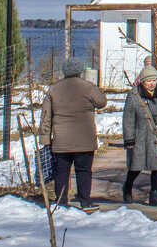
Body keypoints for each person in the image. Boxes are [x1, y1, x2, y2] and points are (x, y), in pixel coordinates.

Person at [38, 57, 107, 212]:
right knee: (84, 171)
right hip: (84, 138)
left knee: (62, 171)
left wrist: (44, 138)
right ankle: (85, 202)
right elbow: (102, 102)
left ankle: (61, 201)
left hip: (62, 139)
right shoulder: (88, 87)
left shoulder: (54, 89)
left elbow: (46, 115)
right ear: (80, 71)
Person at [122, 66, 157, 207]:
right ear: (142, 81)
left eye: (154, 80)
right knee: (136, 167)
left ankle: (154, 194)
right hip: (140, 135)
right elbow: (128, 118)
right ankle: (127, 187)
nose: (152, 83)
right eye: (149, 80)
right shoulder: (134, 95)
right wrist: (129, 139)